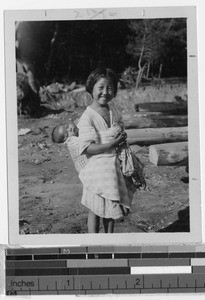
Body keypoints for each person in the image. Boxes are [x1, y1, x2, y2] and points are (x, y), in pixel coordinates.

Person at [77, 66, 145, 234]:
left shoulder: (113, 110)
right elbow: (87, 148)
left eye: (110, 88)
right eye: (100, 88)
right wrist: (112, 143)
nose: (105, 92)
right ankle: (92, 244)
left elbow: (120, 127)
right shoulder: (88, 116)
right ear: (91, 88)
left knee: (111, 207)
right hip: (97, 171)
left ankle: (108, 240)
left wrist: (119, 134)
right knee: (95, 208)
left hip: (113, 169)